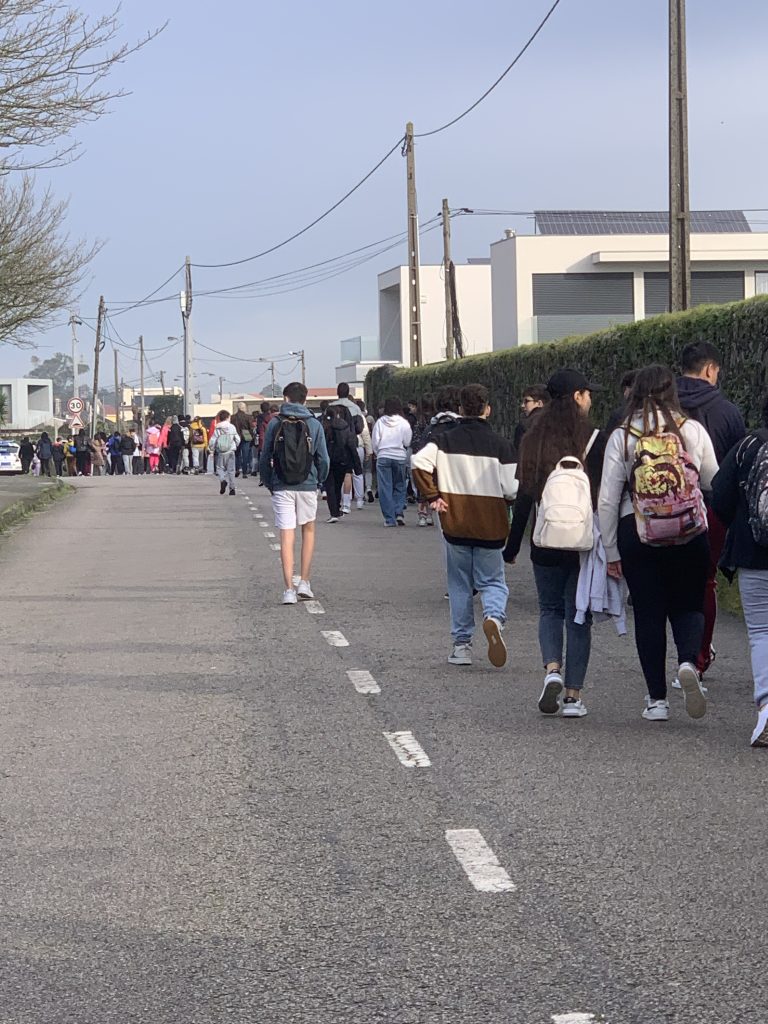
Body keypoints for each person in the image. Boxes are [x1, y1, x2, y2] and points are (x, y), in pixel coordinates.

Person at [598, 364, 718, 723]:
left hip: (637, 530)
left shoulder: (623, 435)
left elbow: (607, 498)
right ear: (672, 391)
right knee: (689, 604)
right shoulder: (691, 429)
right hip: (689, 531)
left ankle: (657, 700)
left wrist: (611, 550)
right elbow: (712, 479)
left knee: (649, 613)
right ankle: (688, 663)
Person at [505, 370, 606, 718]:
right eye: (587, 393)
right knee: (579, 614)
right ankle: (574, 697)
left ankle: (552, 669)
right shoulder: (594, 438)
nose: (590, 399)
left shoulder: (533, 437)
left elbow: (524, 497)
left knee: (549, 609)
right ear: (577, 396)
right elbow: (605, 495)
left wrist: (512, 546)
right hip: (582, 541)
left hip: (545, 539)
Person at [412, 384, 516, 668]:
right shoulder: (501, 445)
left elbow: (418, 462)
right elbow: (511, 488)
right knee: (493, 581)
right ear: (487, 409)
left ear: (460, 409)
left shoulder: (443, 441)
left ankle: (461, 646)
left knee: (459, 585)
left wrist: (433, 496)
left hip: (455, 522)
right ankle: (494, 617)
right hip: (490, 525)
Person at [676, 340, 746, 680]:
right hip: (711, 508)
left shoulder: (663, 407)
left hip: (661, 510)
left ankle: (680, 654)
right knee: (705, 583)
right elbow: (739, 467)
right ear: (709, 370)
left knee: (670, 584)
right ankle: (698, 657)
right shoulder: (727, 412)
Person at [711, 397, 768, 747]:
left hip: (753, 554)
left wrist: (742, 522)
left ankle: (766, 707)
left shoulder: (748, 446)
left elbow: (718, 496)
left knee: (761, 632)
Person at [260, 382, 330, 605]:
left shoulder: (275, 423)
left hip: (282, 484)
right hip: (307, 484)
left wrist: (270, 482)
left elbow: (265, 456)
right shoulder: (314, 423)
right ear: (305, 399)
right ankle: (305, 582)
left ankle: (289, 589)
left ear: (285, 398)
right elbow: (323, 459)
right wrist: (319, 480)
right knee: (308, 529)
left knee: (286, 535)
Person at [371, 397, 412, 527]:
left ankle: (389, 519)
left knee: (385, 488)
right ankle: (399, 512)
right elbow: (407, 442)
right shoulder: (404, 423)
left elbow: (375, 442)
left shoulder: (379, 422)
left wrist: (378, 453)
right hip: (399, 456)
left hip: (383, 456)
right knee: (400, 485)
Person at [328, 383, 366, 515]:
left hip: (333, 444)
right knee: (348, 473)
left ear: (337, 392)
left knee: (334, 475)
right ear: (348, 392)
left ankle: (336, 502)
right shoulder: (355, 408)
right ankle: (347, 503)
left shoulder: (331, 407)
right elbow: (359, 428)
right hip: (349, 443)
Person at [323, 404, 363, 523]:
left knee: (330, 486)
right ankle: (337, 509)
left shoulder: (324, 426)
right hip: (343, 460)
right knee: (337, 485)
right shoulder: (344, 426)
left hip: (328, 460)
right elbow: (351, 445)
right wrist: (357, 465)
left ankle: (334, 512)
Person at [208, 409, 240, 495]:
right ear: (227, 418)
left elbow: (213, 439)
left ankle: (222, 480)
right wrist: (235, 445)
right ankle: (232, 488)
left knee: (220, 468)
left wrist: (212, 448)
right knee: (231, 470)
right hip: (230, 451)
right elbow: (237, 439)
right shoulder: (232, 427)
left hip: (221, 451)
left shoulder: (218, 428)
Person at [513, 385, 549, 458]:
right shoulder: (559, 424)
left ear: (539, 403)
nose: (522, 405)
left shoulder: (524, 426)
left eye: (526, 401)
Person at [231, 403, 254, 479]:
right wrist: (251, 437)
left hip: (236, 435)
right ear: (244, 408)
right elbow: (251, 428)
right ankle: (244, 472)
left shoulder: (233, 417)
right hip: (246, 435)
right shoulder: (248, 417)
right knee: (245, 455)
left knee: (237, 454)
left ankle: (237, 469)